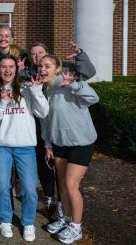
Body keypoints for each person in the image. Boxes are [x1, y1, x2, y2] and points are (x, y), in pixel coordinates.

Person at [0, 55, 49, 242]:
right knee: (2, 185)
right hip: (1, 146)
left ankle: (28, 223)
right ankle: (5, 219)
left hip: (25, 146)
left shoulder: (28, 88)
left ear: (16, 68)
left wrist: (37, 91)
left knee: (29, 188)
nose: (7, 70)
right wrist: (2, 102)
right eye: (3, 67)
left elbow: (43, 112)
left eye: (11, 66)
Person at [39, 55, 99, 244]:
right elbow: (46, 119)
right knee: (63, 184)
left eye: (47, 66)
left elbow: (93, 98)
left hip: (80, 142)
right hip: (59, 142)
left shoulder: (67, 82)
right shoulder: (46, 87)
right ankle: (66, 219)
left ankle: (76, 227)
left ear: (57, 69)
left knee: (71, 185)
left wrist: (72, 85)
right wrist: (48, 143)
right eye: (40, 65)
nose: (42, 69)